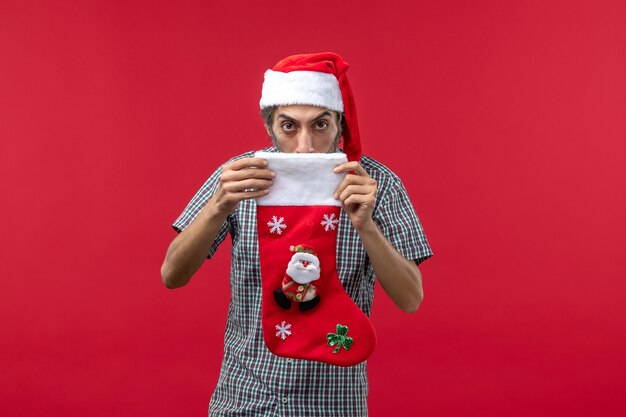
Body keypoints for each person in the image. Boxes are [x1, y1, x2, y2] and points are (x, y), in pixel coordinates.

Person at [161, 52, 432, 416]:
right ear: (270, 127)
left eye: (320, 125)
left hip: (334, 403)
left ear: (340, 124)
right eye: (289, 126)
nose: (305, 145)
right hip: (245, 397)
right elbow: (172, 275)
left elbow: (410, 298)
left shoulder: (375, 185)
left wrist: (366, 227)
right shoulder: (241, 177)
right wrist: (218, 205)